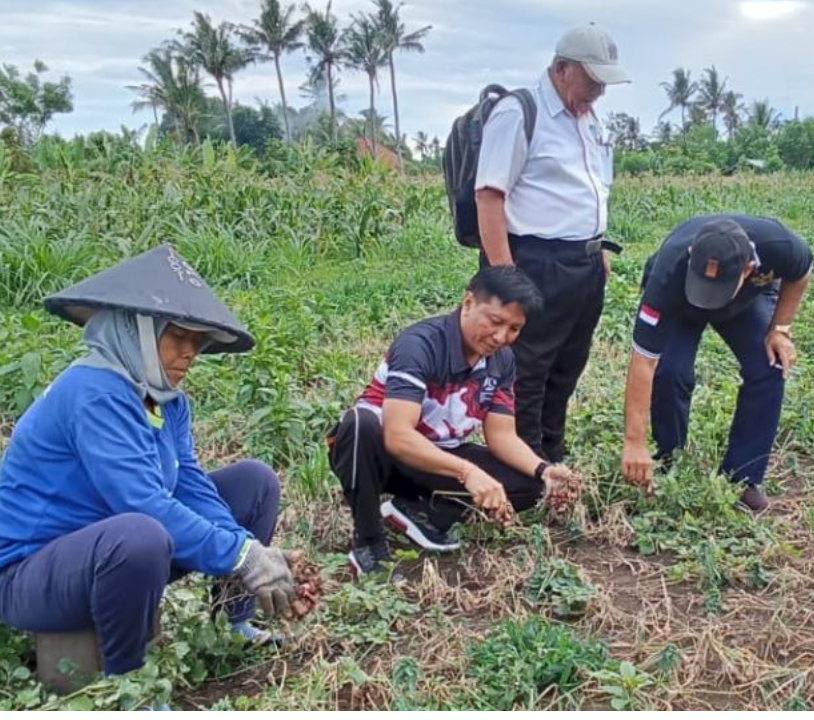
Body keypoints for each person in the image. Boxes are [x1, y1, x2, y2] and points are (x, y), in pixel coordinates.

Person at [0, 245, 295, 682]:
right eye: (178, 336)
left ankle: (234, 623)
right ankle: (129, 682)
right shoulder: (94, 391)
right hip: (34, 573)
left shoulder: (165, 400)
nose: (190, 352)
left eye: (198, 341)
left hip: (110, 551)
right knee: (141, 533)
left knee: (255, 482)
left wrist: (247, 551)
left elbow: (190, 484)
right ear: (136, 329)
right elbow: (141, 501)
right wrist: (239, 555)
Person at [328, 266, 583, 577]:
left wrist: (544, 470)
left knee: (529, 483)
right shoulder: (420, 344)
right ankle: (369, 543)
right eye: (495, 321)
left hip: (437, 456)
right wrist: (467, 472)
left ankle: (418, 512)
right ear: (468, 303)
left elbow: (502, 436)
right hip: (380, 455)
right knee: (359, 424)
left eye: (514, 329)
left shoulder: (502, 360)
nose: (501, 337)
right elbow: (397, 436)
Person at [474, 23, 629, 463]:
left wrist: (597, 247)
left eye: (604, 82)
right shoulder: (519, 112)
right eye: (592, 79)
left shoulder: (589, 120)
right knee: (527, 368)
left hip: (584, 264)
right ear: (562, 69)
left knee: (568, 362)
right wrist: (506, 277)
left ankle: (551, 451)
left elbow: (591, 188)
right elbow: (489, 196)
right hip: (536, 262)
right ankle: (525, 465)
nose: (599, 91)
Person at [620, 215, 813, 513]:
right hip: (680, 299)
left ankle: (742, 479)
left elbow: (801, 272)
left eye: (717, 289)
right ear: (691, 255)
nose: (708, 299)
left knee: (770, 364)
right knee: (670, 372)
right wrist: (634, 441)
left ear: (748, 268)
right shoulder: (667, 271)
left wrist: (780, 330)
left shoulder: (779, 244)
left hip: (743, 301)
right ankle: (668, 463)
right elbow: (644, 361)